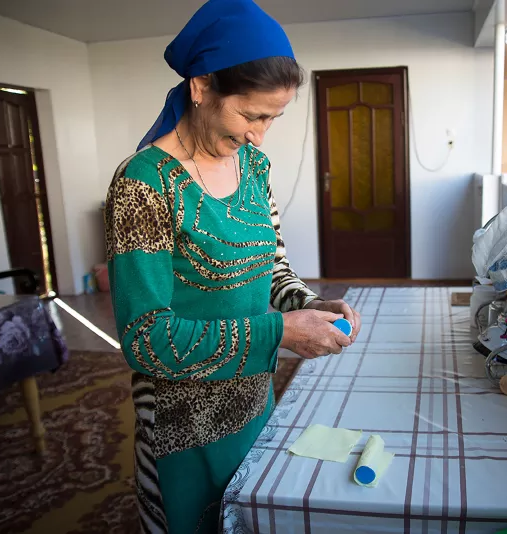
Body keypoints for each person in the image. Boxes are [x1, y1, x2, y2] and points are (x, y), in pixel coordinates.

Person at [103, 1, 361, 531]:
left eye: (273, 117)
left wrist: (310, 307)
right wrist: (279, 332)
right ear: (201, 88)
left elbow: (273, 271)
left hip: (253, 398)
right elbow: (147, 340)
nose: (260, 134)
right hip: (183, 426)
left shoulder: (254, 168)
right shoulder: (142, 186)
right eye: (251, 115)